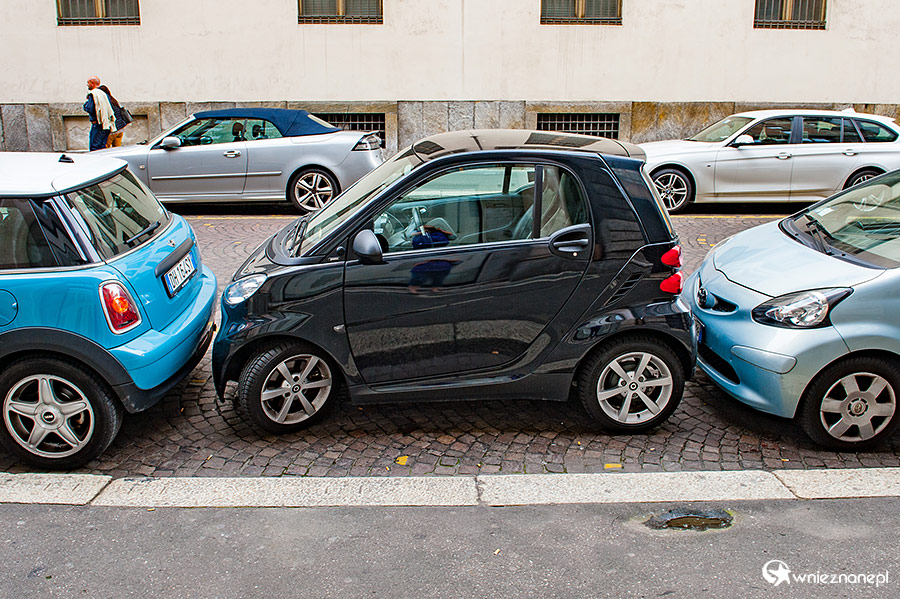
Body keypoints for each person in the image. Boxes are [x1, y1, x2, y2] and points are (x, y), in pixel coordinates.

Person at [82, 76, 116, 151]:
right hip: (106, 124)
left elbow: (90, 108)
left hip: (97, 124)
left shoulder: (93, 94)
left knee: (94, 148)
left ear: (92, 83)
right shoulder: (104, 94)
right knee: (102, 148)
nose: (87, 85)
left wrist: (85, 105)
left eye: (88, 82)